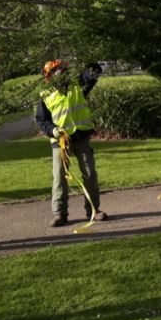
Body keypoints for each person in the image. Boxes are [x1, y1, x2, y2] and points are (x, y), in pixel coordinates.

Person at [35, 60, 106, 226]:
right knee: (59, 177)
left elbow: (94, 71)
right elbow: (41, 120)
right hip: (60, 141)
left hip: (81, 136)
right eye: (55, 71)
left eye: (61, 69)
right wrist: (53, 130)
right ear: (49, 75)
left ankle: (94, 210)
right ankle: (60, 213)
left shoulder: (79, 85)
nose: (60, 72)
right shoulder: (46, 94)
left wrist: (85, 56)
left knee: (90, 174)